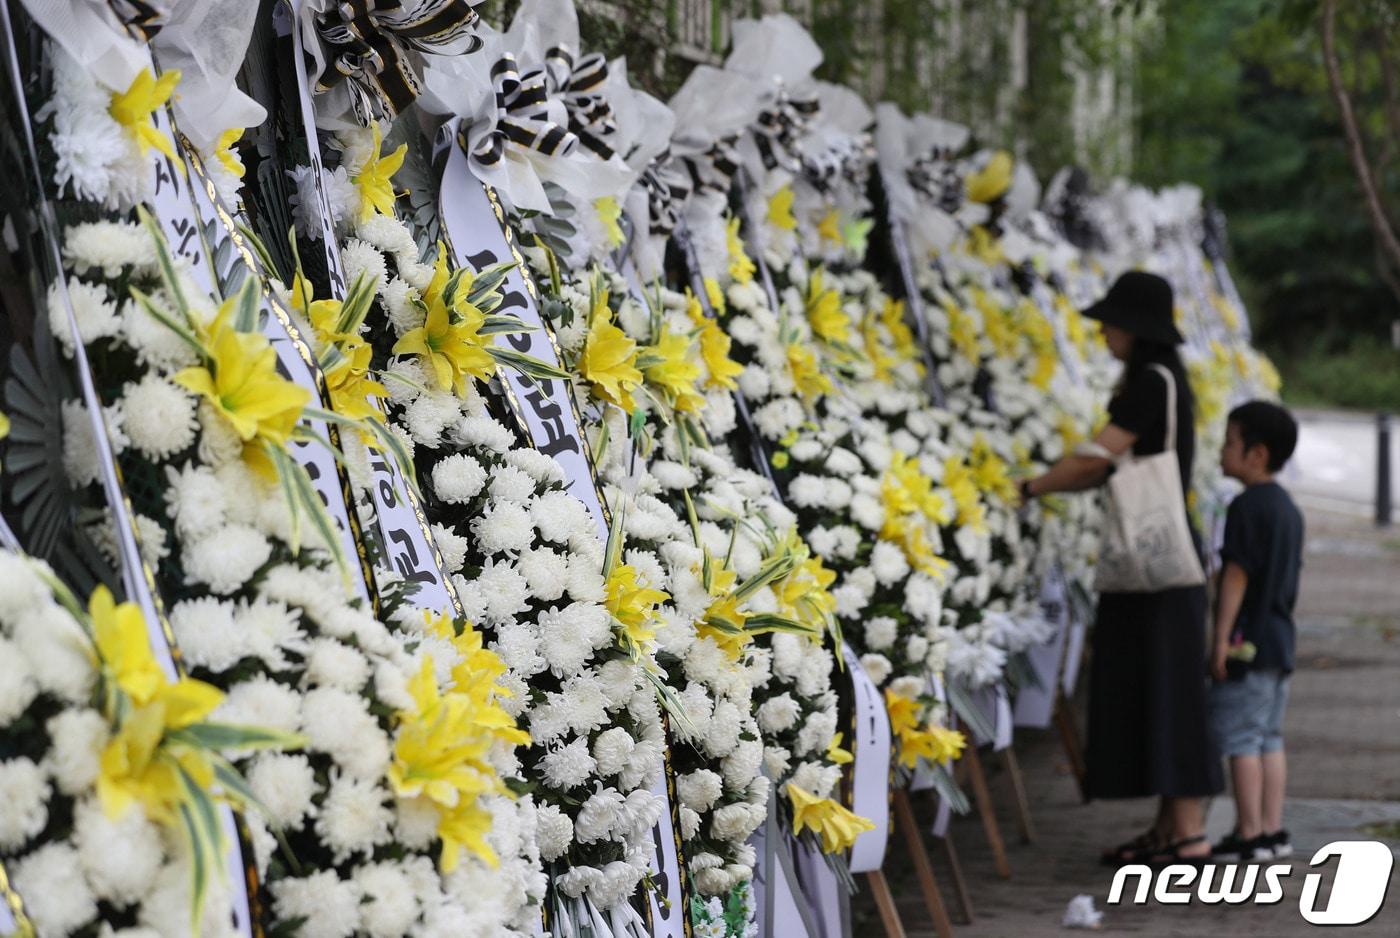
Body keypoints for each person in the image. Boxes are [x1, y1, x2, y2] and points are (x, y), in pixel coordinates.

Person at [1017, 271, 1223, 865]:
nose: (1104, 331)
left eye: (1111, 321)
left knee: (1168, 688)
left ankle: (1188, 834)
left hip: (1157, 566)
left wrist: (1030, 487)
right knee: (1158, 684)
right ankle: (1169, 827)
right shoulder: (1164, 380)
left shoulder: (1149, 384)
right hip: (1162, 560)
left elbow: (1094, 462)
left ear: (1136, 328)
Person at [1208, 401, 1303, 862]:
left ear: (1257, 454)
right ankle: (1272, 829)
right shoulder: (1288, 508)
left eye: (1229, 443)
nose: (1221, 452)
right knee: (1270, 736)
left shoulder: (1247, 507)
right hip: (1282, 639)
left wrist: (1220, 639)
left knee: (1241, 738)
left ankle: (1247, 832)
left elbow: (1236, 577)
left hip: (1249, 642)